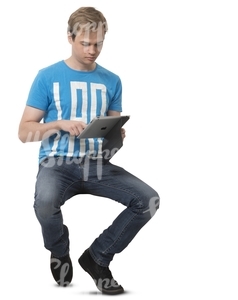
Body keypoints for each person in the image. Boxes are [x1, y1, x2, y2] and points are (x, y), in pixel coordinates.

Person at [18, 6, 159, 295]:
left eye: (98, 44)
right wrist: (58, 124)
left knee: (149, 200)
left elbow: (111, 142)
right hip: (56, 163)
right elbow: (24, 132)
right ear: (70, 38)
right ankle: (59, 249)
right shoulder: (47, 76)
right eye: (85, 44)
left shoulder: (112, 80)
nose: (92, 50)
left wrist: (116, 137)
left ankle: (97, 258)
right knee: (44, 204)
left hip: (97, 163)